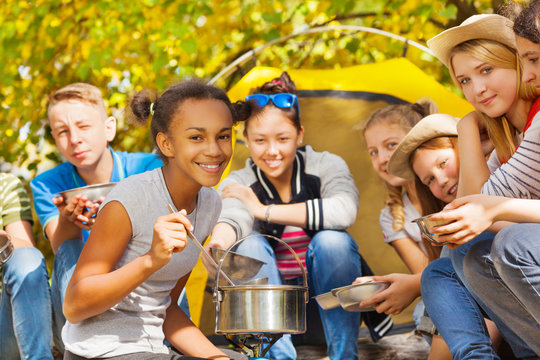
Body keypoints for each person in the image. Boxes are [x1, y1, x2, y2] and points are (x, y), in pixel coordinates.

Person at [206, 72, 392, 360]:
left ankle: (345, 356)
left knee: (333, 240)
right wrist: (218, 244)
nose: (272, 151)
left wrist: (263, 210)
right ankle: (277, 357)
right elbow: (232, 217)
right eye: (259, 140)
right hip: (270, 322)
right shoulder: (240, 180)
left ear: (300, 135)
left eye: (283, 138)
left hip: (326, 310)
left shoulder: (326, 165)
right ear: (245, 140)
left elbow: (343, 210)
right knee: (250, 244)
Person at [61, 81, 245, 359]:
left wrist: (217, 357)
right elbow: (74, 305)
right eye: (196, 137)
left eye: (223, 136)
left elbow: (166, 307)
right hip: (99, 350)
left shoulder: (209, 204)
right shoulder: (131, 199)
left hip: (152, 348)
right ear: (166, 143)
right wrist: (150, 260)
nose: (214, 150)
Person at [424, 7, 540, 355]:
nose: (477, 89)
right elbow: (470, 216)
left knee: (510, 244)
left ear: (518, 63)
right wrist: (468, 125)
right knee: (452, 265)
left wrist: (465, 129)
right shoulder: (508, 141)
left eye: (486, 70)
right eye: (464, 81)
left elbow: (479, 203)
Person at [30, 83, 164, 352]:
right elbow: (62, 250)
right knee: (70, 246)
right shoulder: (46, 184)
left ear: (108, 128)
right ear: (55, 139)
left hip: (139, 290)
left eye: (84, 127)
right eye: (63, 132)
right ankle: (84, 344)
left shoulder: (147, 168)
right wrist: (69, 221)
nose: (75, 139)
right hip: (82, 304)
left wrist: (116, 220)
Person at [387, 113, 510, 360]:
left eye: (443, 163)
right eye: (429, 179)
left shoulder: (505, 176)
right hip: (498, 309)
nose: (441, 181)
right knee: (435, 276)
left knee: (454, 256)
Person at [360, 100, 452, 359]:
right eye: (373, 152)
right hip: (437, 288)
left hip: (468, 284)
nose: (383, 158)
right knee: (426, 309)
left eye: (391, 145)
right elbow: (424, 272)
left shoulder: (449, 185)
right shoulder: (391, 216)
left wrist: (412, 286)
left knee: (435, 308)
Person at [0, 172, 53, 359]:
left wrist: (3, 242)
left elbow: (26, 257)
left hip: (4, 326)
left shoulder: (5, 185)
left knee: (27, 258)